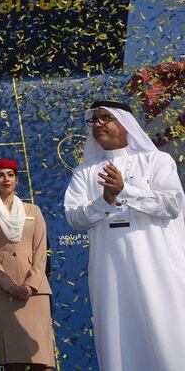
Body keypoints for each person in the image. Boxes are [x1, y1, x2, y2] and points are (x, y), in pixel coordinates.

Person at [64, 100, 185, 370]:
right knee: (119, 334)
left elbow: (172, 205)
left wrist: (125, 191)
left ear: (125, 124)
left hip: (156, 262)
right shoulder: (84, 173)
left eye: (105, 118)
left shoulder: (156, 160)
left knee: (167, 330)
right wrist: (104, 201)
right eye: (94, 120)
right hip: (111, 267)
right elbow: (74, 216)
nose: (98, 125)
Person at [0, 160, 54, 371]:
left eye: (10, 175)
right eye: (0, 175)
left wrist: (30, 285)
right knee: (13, 361)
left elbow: (40, 250)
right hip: (2, 293)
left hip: (35, 292)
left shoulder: (33, 210)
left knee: (42, 360)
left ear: (17, 180)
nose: (6, 179)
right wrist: (9, 285)